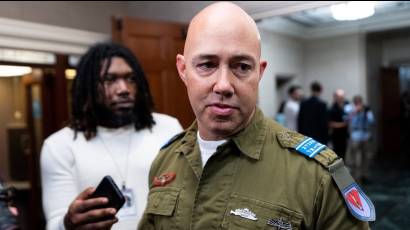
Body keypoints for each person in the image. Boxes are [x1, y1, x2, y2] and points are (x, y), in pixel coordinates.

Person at [139, 2, 374, 229]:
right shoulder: (166, 160)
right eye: (207, 64)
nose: (223, 85)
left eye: (241, 67)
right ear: (183, 70)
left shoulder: (315, 175)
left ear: (259, 72)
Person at [40, 42, 183, 230]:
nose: (124, 88)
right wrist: (68, 223)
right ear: (89, 86)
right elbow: (55, 223)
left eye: (130, 78)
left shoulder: (168, 128)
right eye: (109, 79)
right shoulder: (60, 146)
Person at [345, 95, 375, 183]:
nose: (358, 104)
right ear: (354, 103)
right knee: (353, 157)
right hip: (355, 135)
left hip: (365, 135)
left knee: (365, 157)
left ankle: (364, 175)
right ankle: (354, 176)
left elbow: (372, 121)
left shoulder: (366, 110)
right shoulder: (350, 109)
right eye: (356, 102)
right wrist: (354, 112)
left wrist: (366, 112)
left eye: (359, 102)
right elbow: (346, 120)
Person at [329, 89, 349, 159]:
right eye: (339, 97)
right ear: (335, 98)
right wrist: (344, 124)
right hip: (336, 136)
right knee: (337, 154)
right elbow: (331, 124)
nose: (341, 99)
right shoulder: (332, 108)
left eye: (342, 97)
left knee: (345, 153)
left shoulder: (347, 104)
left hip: (346, 135)